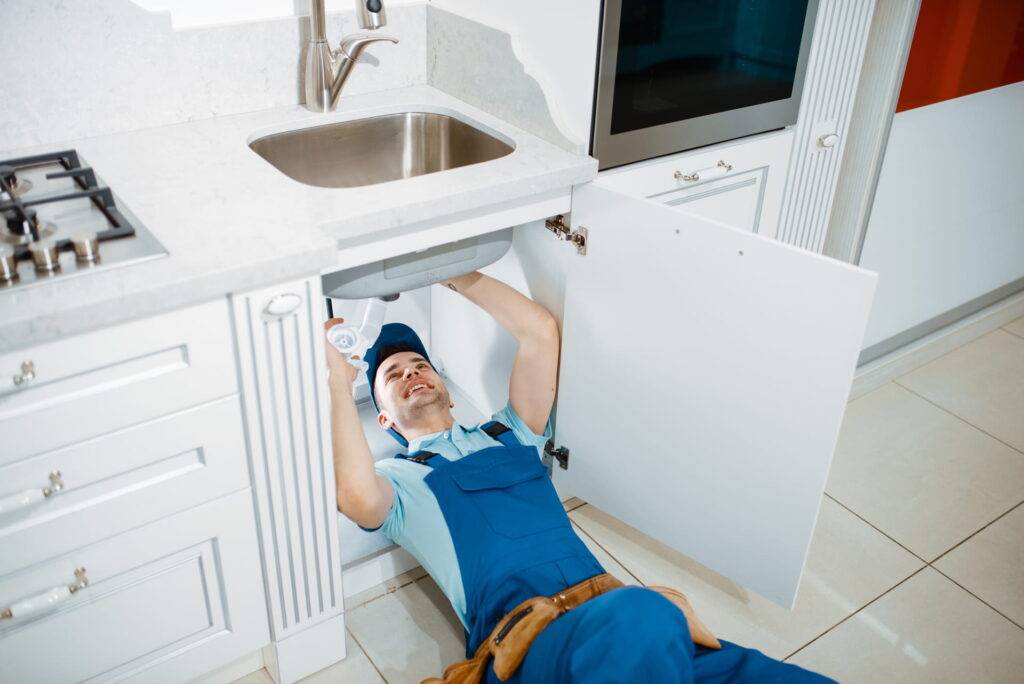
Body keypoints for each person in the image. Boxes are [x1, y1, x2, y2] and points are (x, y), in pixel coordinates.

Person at [325, 271, 835, 683]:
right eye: (393, 376)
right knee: (642, 613)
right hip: (530, 642)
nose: (411, 372)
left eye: (419, 364)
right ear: (385, 419)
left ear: (448, 390)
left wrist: (448, 270)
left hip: (618, 620)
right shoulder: (399, 481)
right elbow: (353, 495)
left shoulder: (509, 433)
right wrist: (337, 382)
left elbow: (539, 332)